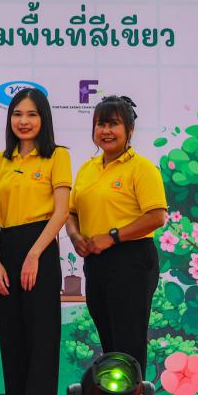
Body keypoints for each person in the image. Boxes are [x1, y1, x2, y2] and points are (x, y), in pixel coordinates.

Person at [0, 88, 71, 395]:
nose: (24, 121)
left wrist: (34, 254)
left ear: (43, 118)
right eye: (17, 114)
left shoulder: (57, 156)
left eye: (32, 114)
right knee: (13, 345)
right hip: (5, 251)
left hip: (40, 250)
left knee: (41, 344)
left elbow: (61, 212)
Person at [66, 96, 167, 378]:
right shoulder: (87, 168)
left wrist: (112, 237)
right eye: (100, 124)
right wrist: (75, 236)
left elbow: (156, 216)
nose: (106, 131)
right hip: (96, 261)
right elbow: (71, 211)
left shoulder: (142, 168)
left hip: (131, 259)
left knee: (128, 343)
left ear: (129, 130)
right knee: (109, 343)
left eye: (113, 124)